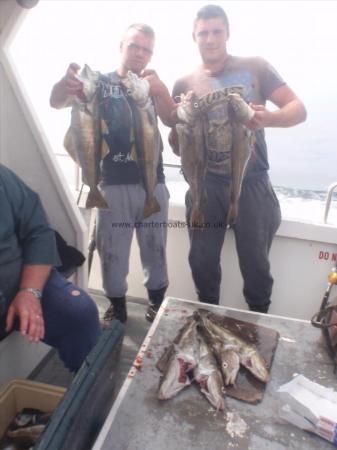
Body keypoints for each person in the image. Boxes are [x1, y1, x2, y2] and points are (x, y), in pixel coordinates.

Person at [169, 5, 307, 313]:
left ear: (228, 33)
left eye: (217, 31)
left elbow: (298, 109)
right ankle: (209, 318)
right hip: (206, 185)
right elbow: (176, 143)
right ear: (194, 36)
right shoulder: (183, 83)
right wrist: (181, 132)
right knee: (202, 262)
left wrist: (269, 119)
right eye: (203, 32)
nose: (210, 39)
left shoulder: (256, 66)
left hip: (252, 181)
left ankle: (257, 320)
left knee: (256, 263)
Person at [50, 24, 177, 323]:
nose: (140, 54)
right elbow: (56, 102)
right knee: (112, 253)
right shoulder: (97, 83)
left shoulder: (152, 84)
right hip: (111, 183)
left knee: (155, 249)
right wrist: (64, 84)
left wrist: (162, 91)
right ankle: (117, 306)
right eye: (135, 46)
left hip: (152, 181)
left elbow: (172, 119)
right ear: (121, 46)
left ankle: (156, 302)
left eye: (147, 49)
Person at [0, 163, 101, 372]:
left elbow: (38, 230)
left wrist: (29, 292)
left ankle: (87, 394)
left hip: (18, 281)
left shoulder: (3, 178)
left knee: (79, 312)